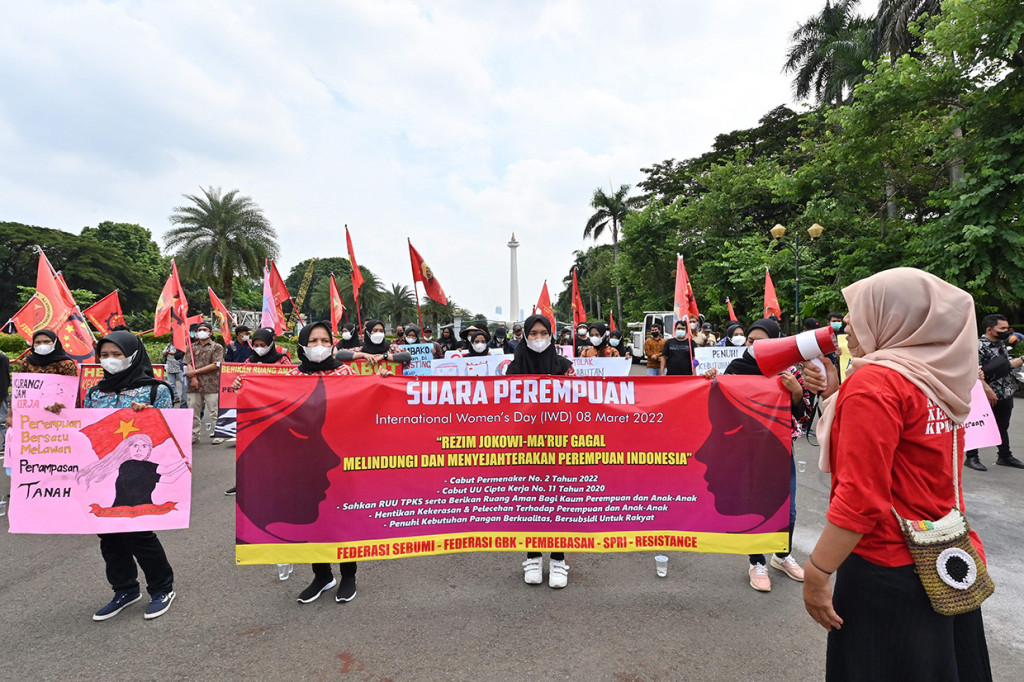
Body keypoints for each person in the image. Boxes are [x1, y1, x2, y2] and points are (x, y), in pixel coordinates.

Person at [803, 268, 992, 680]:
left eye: (856, 310)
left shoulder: (875, 384)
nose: (846, 323)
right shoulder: (938, 377)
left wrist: (817, 573)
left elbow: (860, 499)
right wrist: (836, 392)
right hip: (943, 557)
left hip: (885, 568)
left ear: (892, 316)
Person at [706, 318, 823, 591]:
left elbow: (804, 415)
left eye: (764, 342)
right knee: (754, 506)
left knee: (788, 510)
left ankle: (781, 556)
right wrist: (709, 382)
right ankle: (756, 561)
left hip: (780, 452)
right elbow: (718, 405)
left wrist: (795, 393)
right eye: (750, 341)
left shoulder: (790, 371)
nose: (755, 347)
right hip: (746, 452)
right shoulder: (736, 369)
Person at [289, 321, 393, 604]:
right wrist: (242, 386)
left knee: (343, 516)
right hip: (303, 462)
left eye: (324, 340)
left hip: (340, 458)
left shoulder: (344, 372)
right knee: (312, 518)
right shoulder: (290, 376)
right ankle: (322, 575)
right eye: (312, 341)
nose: (319, 346)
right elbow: (270, 407)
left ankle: (349, 575)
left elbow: (362, 405)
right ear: (301, 345)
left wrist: (379, 383)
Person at [81, 331, 180, 621]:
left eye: (117, 354)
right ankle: (124, 589)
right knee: (109, 537)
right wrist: (55, 414)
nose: (110, 360)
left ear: (133, 355)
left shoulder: (156, 390)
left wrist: (149, 414)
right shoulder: (94, 392)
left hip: (139, 476)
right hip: (107, 476)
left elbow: (171, 433)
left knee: (139, 533)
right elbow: (84, 428)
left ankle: (162, 588)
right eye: (105, 355)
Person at [505, 314, 576, 588]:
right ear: (524, 336)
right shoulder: (513, 370)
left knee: (559, 503)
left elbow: (583, 404)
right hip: (525, 447)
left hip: (559, 446)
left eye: (542, 333)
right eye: (532, 333)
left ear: (551, 335)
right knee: (530, 503)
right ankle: (533, 556)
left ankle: (558, 559)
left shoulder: (566, 368)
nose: (537, 338)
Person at [224, 328, 294, 496]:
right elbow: (243, 381)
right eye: (256, 345)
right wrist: (237, 384)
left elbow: (292, 382)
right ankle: (244, 482)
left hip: (278, 411)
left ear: (271, 344)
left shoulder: (282, 360)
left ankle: (281, 482)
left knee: (278, 450)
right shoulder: (250, 360)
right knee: (250, 450)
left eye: (263, 345)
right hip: (255, 412)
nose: (259, 348)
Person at [965, 313, 1024, 471]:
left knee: (1002, 425)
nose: (1007, 331)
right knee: (977, 424)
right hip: (983, 394)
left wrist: (1023, 359)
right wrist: (987, 390)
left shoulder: (1001, 343)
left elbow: (1006, 366)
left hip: (1005, 391)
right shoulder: (977, 346)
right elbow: (973, 371)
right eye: (1002, 328)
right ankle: (972, 457)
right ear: (990, 329)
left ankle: (1004, 455)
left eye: (1007, 327)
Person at [183, 321, 224, 445]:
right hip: (194, 385)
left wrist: (195, 371)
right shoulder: (190, 347)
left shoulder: (217, 347)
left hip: (211, 384)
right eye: (199, 330)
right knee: (193, 411)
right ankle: (194, 435)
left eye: (205, 330)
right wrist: (193, 377)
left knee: (214, 411)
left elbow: (215, 364)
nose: (202, 332)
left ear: (210, 332)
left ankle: (219, 433)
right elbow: (188, 362)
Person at [13, 330, 80, 377]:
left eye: (47, 341)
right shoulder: (27, 362)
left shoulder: (66, 364)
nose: (42, 345)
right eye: (38, 342)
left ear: (55, 343)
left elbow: (71, 389)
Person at [161, 341, 187, 405]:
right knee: (172, 383)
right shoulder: (169, 345)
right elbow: (163, 352)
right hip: (170, 366)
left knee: (183, 381)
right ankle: (176, 397)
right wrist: (166, 353)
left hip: (179, 366)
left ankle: (184, 397)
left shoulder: (181, 345)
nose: (171, 340)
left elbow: (183, 353)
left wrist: (174, 353)